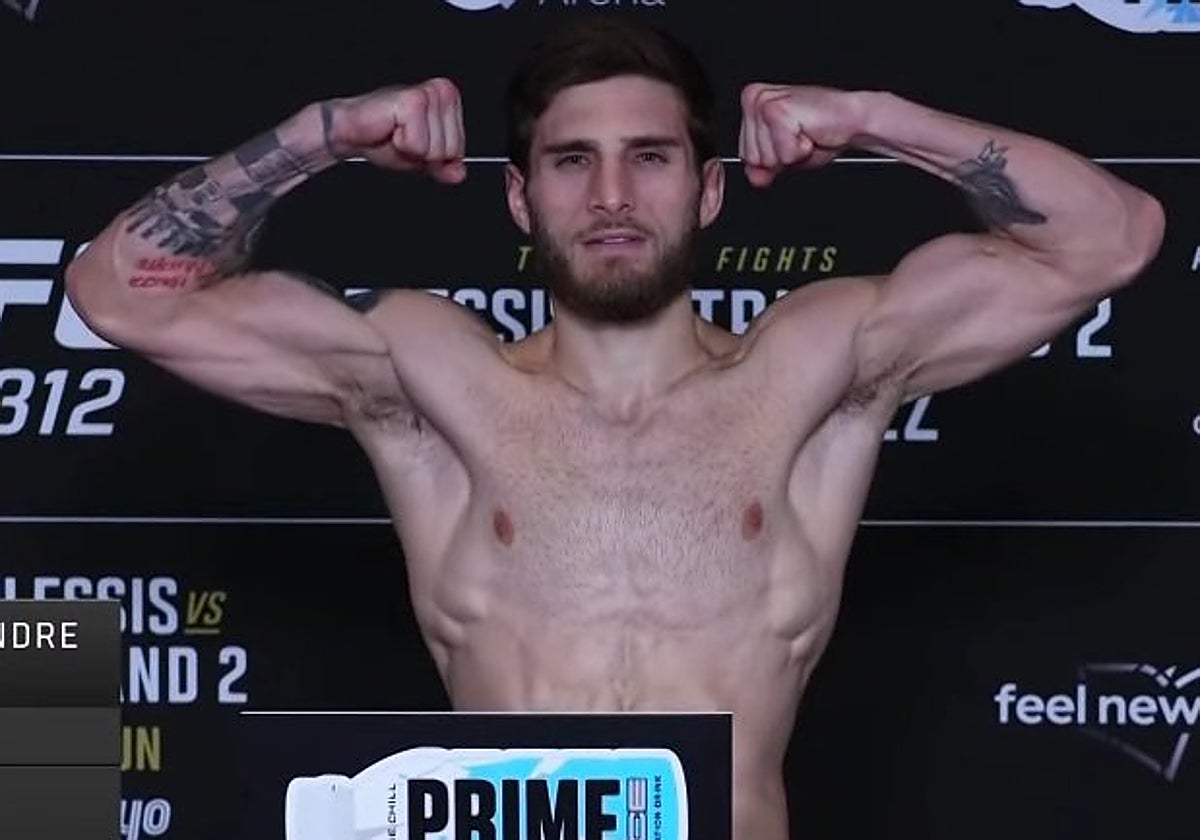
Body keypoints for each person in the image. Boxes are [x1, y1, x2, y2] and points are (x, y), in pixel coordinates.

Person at [64, 16, 1164, 840]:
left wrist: (877, 118)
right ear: (520, 199)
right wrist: (327, 134)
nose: (611, 196)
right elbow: (119, 296)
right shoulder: (432, 382)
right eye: (571, 160)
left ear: (709, 190)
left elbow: (1112, 239)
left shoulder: (816, 371)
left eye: (650, 156)